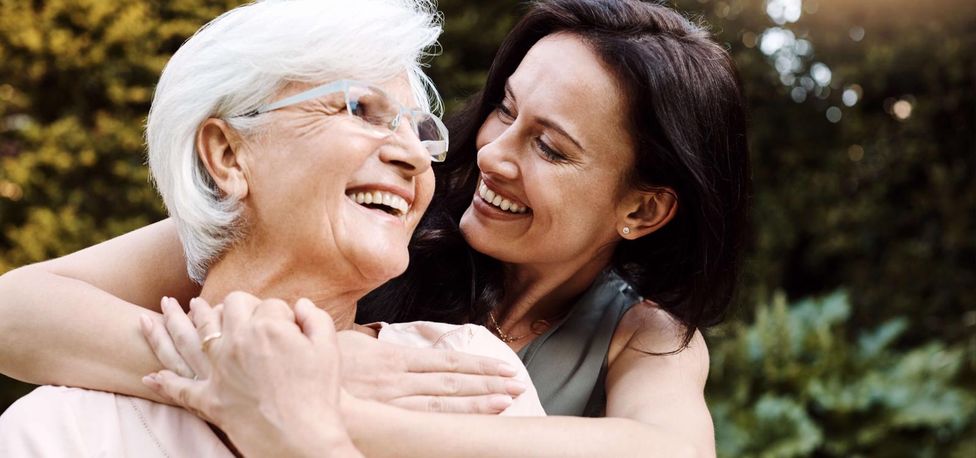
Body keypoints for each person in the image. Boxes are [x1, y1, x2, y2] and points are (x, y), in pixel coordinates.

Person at [0, 0, 751, 455]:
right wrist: (281, 364)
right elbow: (19, 309)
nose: (489, 153)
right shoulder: (354, 226)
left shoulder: (637, 337)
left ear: (642, 208)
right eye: (504, 109)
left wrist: (311, 405)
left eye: (551, 148)